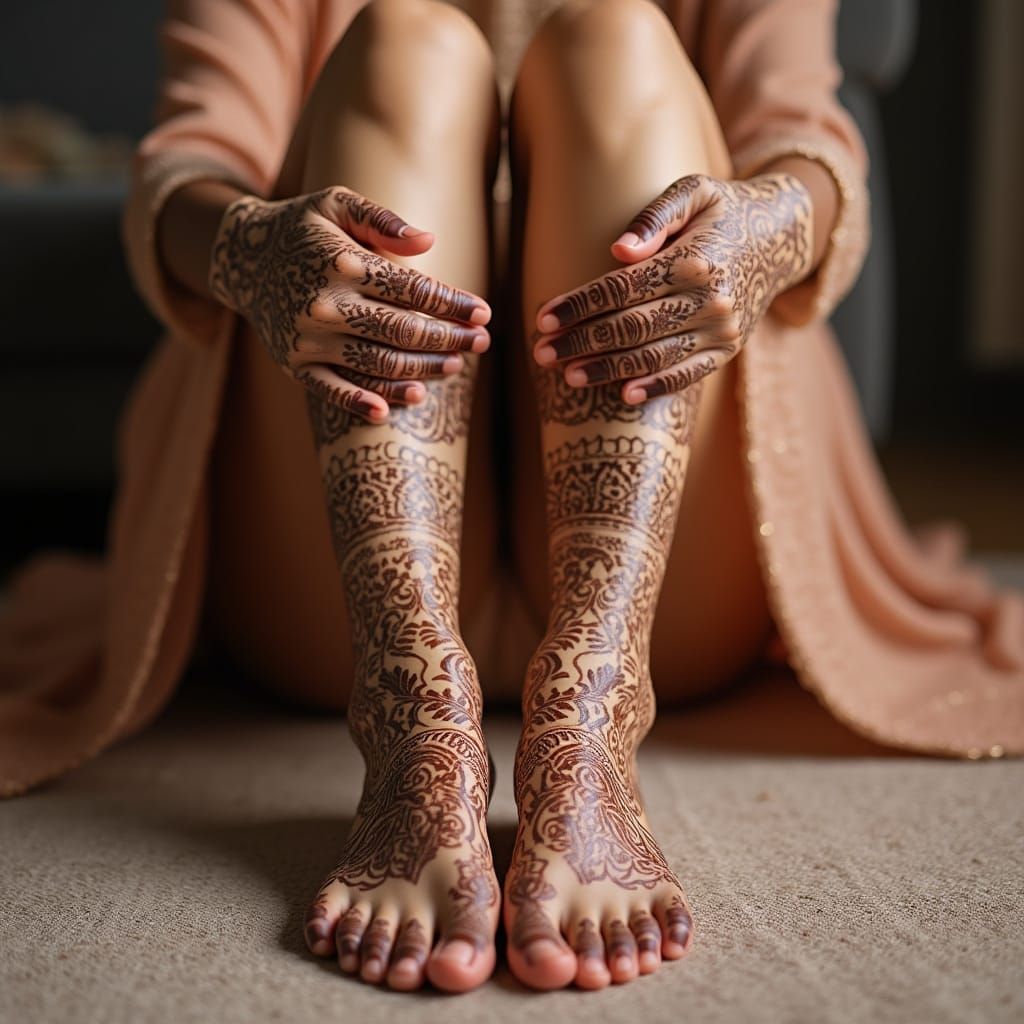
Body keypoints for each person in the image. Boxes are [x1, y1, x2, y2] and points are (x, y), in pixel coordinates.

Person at [1, 0, 1021, 996]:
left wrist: (773, 222)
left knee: (613, 34)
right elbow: (182, 169)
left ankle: (592, 716)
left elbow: (808, 143)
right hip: (327, 555)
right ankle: (411, 717)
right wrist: (252, 249)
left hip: (669, 565)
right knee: (405, 38)